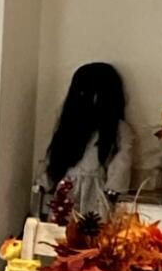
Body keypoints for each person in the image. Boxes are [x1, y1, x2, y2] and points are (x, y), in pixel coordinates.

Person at [37, 61, 133, 223]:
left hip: (96, 192)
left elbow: (123, 158)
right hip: (66, 191)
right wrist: (43, 183)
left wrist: (114, 188)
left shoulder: (117, 129)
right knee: (61, 231)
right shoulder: (69, 127)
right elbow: (55, 158)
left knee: (94, 231)